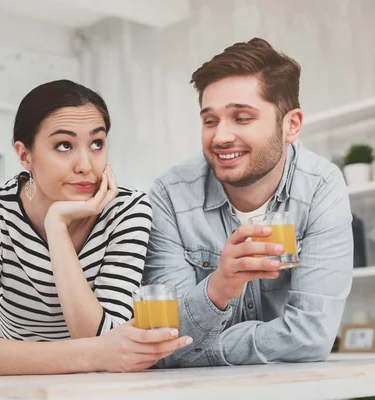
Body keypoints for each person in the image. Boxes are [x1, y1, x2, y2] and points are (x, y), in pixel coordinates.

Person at [0, 79, 193, 376]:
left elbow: (109, 338)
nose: (85, 164)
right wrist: (99, 353)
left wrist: (56, 228)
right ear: (24, 155)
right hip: (14, 390)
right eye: (64, 145)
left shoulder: (126, 209)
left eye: (97, 143)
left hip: (98, 391)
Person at [143, 38, 353, 367]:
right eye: (210, 121)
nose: (221, 136)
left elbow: (311, 338)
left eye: (242, 118)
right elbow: (162, 342)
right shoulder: (170, 195)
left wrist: (199, 349)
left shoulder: (321, 188)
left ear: (291, 125)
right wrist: (219, 287)